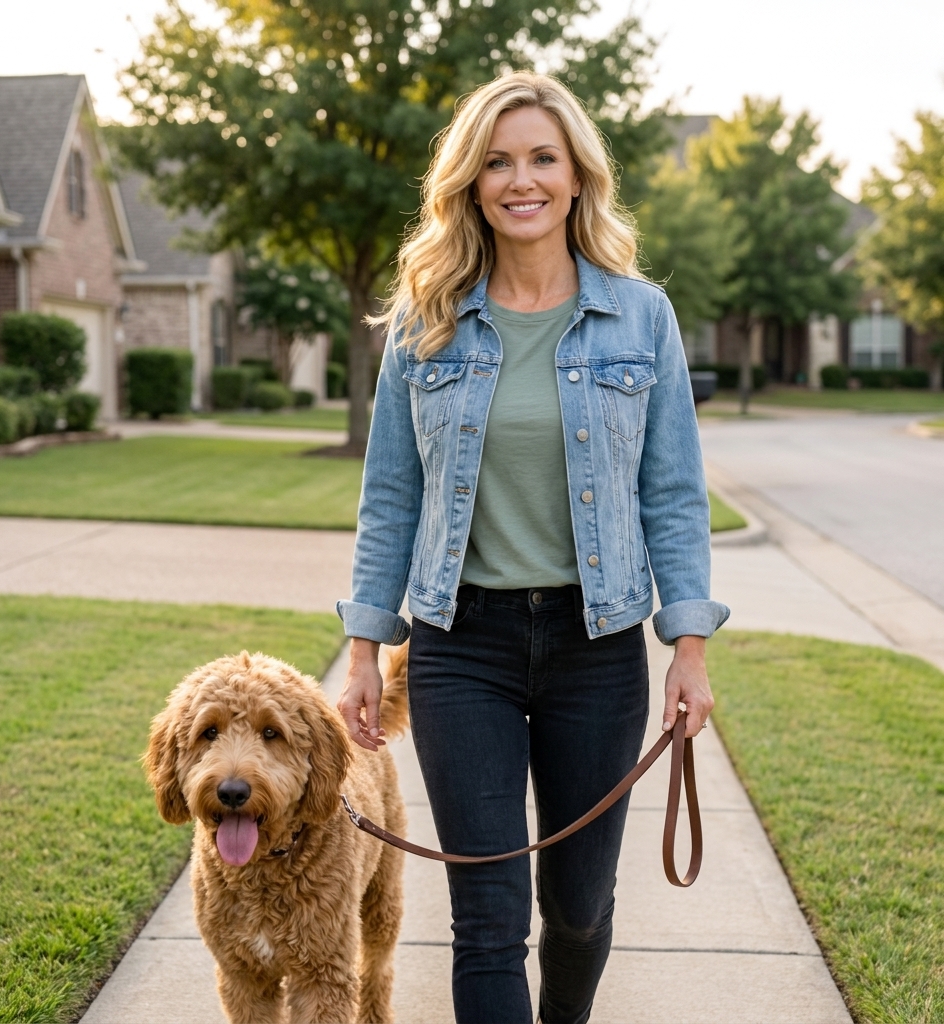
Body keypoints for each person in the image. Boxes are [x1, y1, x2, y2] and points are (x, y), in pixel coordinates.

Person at [335, 72, 729, 1024]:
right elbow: (390, 498)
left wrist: (689, 646)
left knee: (579, 908)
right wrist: (360, 647)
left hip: (595, 649)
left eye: (542, 158)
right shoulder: (428, 322)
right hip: (458, 645)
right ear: (470, 183)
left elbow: (673, 494)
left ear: (577, 175)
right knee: (487, 915)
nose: (523, 179)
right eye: (499, 161)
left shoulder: (640, 318)